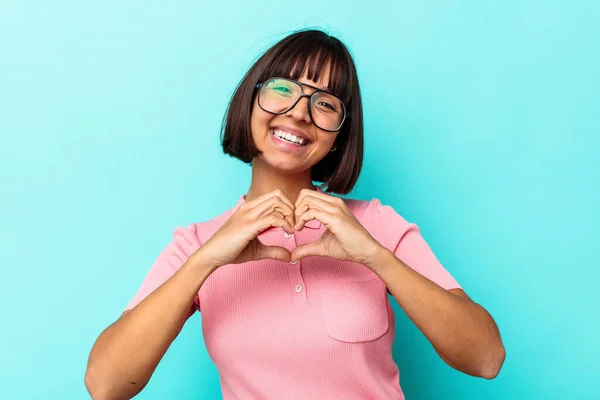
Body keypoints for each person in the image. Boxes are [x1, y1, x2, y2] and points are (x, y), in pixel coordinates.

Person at [85, 28, 505, 400]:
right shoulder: (197, 244)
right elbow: (105, 386)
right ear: (250, 103)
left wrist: (374, 256)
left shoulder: (376, 226)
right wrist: (207, 261)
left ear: (340, 135)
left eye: (325, 103)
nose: (300, 112)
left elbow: (485, 359)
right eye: (283, 89)